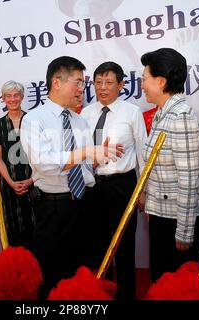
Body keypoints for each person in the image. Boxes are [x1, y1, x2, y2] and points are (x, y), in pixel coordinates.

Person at [20, 56, 124, 298]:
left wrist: (100, 156)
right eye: (78, 82)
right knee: (53, 274)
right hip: (54, 208)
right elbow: (45, 164)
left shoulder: (79, 120)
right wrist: (87, 152)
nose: (82, 89)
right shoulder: (34, 119)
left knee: (85, 272)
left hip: (86, 202)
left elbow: (85, 165)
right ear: (57, 82)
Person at [80, 61, 147, 300]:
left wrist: (142, 190)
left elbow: (143, 153)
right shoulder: (86, 113)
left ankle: (126, 295)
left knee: (124, 245)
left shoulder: (132, 112)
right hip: (94, 185)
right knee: (97, 244)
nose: (103, 88)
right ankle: (103, 294)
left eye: (109, 82)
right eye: (98, 82)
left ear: (121, 85)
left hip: (123, 184)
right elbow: (82, 152)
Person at [140, 48, 199, 283]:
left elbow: (188, 179)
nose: (142, 84)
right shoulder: (162, 113)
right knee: (161, 282)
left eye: (144, 78)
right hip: (162, 215)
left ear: (161, 81)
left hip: (177, 221)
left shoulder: (181, 115)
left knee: (180, 287)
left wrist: (185, 231)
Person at [0, 81, 34, 247]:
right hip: (9, 183)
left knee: (35, 224)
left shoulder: (33, 120)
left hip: (34, 181)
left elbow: (41, 156)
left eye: (16, 95)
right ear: (3, 99)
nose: (12, 99)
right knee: (13, 224)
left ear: (22, 97)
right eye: (8, 96)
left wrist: (31, 181)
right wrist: (11, 183)